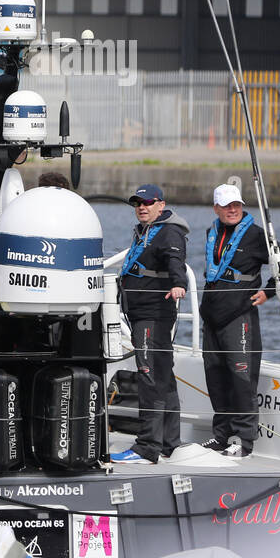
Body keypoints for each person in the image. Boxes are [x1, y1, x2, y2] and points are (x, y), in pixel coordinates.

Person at [110, 184, 188, 465]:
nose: (142, 207)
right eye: (137, 203)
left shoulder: (169, 231)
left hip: (153, 315)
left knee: (149, 377)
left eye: (147, 202)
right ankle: (169, 444)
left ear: (160, 204)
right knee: (163, 376)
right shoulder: (145, 230)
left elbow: (175, 260)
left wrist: (180, 284)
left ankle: (147, 448)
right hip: (142, 313)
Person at [198, 183, 276, 458]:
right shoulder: (211, 233)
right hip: (212, 315)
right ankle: (221, 435)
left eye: (237, 205)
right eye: (227, 205)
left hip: (239, 315)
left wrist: (270, 290)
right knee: (215, 377)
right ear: (216, 208)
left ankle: (244, 440)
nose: (233, 210)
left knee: (242, 378)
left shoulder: (256, 235)